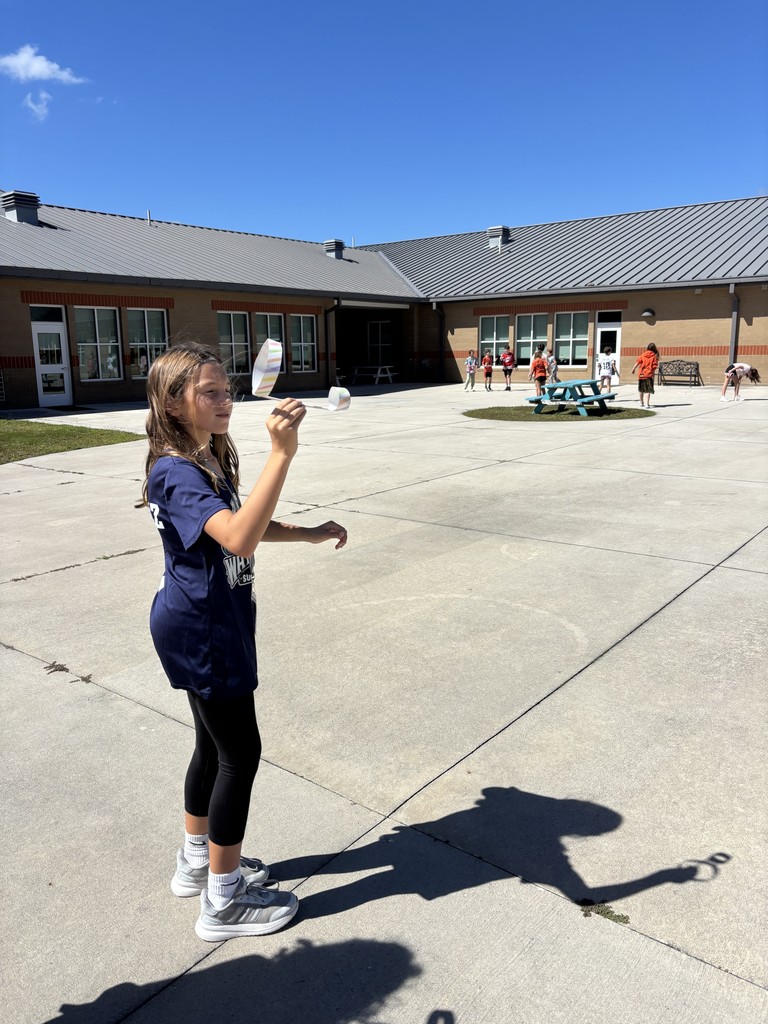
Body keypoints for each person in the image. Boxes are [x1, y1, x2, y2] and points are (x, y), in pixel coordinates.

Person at [140, 342, 347, 942]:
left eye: (226, 390)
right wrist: (282, 454)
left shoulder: (205, 457)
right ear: (174, 402)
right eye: (210, 392)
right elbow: (236, 538)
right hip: (205, 630)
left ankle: (196, 862)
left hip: (203, 622)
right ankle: (224, 902)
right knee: (240, 755)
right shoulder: (174, 470)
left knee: (212, 748)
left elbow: (243, 521)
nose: (225, 399)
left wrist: (305, 534)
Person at [631, 343, 659, 408]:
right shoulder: (654, 356)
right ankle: (647, 404)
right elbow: (654, 366)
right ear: (654, 348)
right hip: (648, 375)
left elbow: (637, 362)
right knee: (648, 390)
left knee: (641, 389)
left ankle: (641, 403)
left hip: (641, 374)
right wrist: (652, 373)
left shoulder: (643, 354)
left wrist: (633, 369)